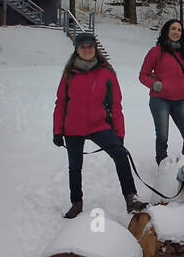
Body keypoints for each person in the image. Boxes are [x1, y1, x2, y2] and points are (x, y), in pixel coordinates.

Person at [53, 33, 143, 218]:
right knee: (75, 166)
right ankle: (76, 203)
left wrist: (119, 133)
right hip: (73, 127)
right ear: (76, 50)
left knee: (120, 154)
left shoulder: (106, 72)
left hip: (98, 124)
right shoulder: (69, 73)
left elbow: (116, 104)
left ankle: (131, 198)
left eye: (90, 46)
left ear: (95, 49)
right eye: (83, 47)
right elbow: (61, 102)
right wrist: (57, 130)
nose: (87, 50)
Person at [139, 18, 184, 171]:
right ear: (167, 31)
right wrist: (154, 84)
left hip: (180, 101)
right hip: (160, 100)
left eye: (179, 30)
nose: (176, 32)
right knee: (162, 136)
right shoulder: (156, 51)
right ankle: (162, 164)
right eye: (173, 29)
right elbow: (143, 75)